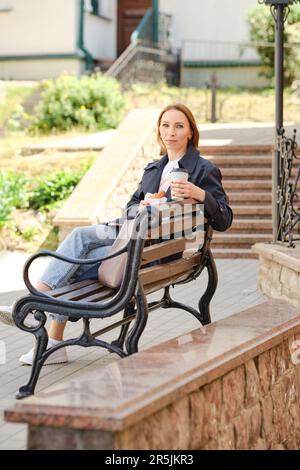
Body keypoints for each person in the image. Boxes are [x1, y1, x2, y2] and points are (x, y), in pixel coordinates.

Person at [0, 103, 233, 365]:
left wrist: (200, 194)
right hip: (128, 236)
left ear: (191, 131)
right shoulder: (154, 169)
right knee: (76, 247)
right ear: (159, 131)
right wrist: (144, 203)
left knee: (75, 253)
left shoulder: (203, 169)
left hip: (155, 252)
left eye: (179, 126)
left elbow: (224, 219)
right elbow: (131, 206)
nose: (171, 132)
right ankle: (44, 322)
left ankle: (35, 310)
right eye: (165, 125)